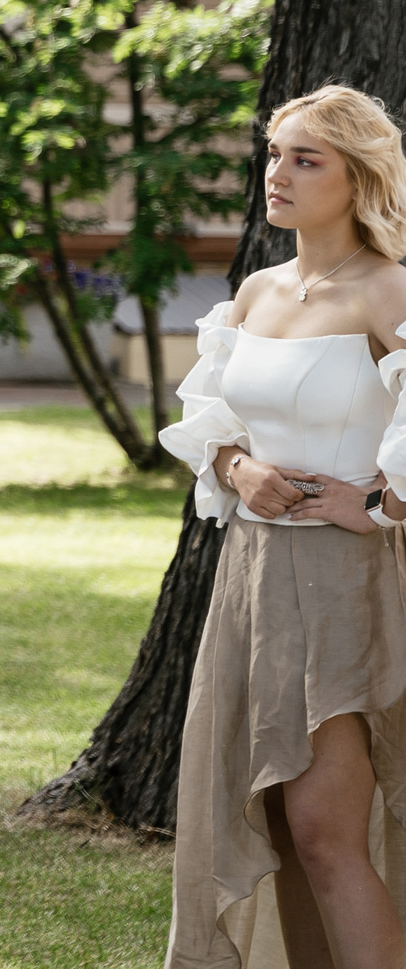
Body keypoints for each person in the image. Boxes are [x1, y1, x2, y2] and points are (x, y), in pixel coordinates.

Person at [161, 85, 406, 969]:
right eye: (275, 154)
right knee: (273, 819)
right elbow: (209, 418)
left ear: (358, 178)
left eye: (307, 159)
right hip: (252, 576)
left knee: (327, 831)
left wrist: (378, 504)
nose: (278, 174)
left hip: (346, 581)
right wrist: (239, 469)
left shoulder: (389, 288)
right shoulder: (258, 291)